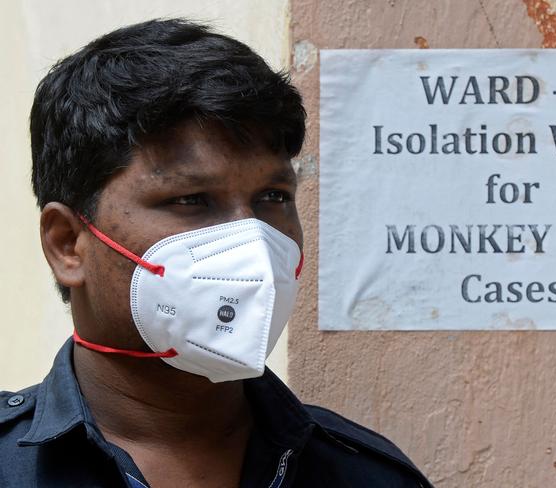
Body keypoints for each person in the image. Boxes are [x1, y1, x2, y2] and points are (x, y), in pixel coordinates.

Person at [0, 18, 432, 488]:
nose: (251, 241)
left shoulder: (367, 476)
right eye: (190, 200)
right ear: (67, 244)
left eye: (273, 197)